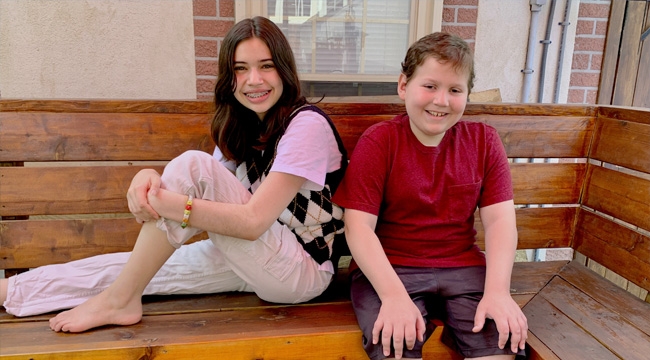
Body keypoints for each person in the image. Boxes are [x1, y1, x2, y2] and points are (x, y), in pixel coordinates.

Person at [0, 16, 348, 333]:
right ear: (229, 78)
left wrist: (166, 203)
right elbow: (207, 192)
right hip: (255, 256)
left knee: (192, 166)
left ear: (284, 70)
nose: (253, 80)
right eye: (240, 69)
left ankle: (120, 301)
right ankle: (13, 290)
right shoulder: (239, 127)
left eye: (266, 66)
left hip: (303, 270)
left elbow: (252, 220)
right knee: (138, 271)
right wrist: (147, 177)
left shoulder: (307, 126)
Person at [331, 32, 528, 360]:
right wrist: (393, 297)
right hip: (391, 270)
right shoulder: (380, 142)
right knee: (394, 341)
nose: (441, 101)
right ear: (403, 86)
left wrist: (498, 291)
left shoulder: (483, 142)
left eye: (455, 90)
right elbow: (358, 228)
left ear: (467, 94)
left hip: (463, 267)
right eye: (430, 86)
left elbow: (500, 222)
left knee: (501, 341)